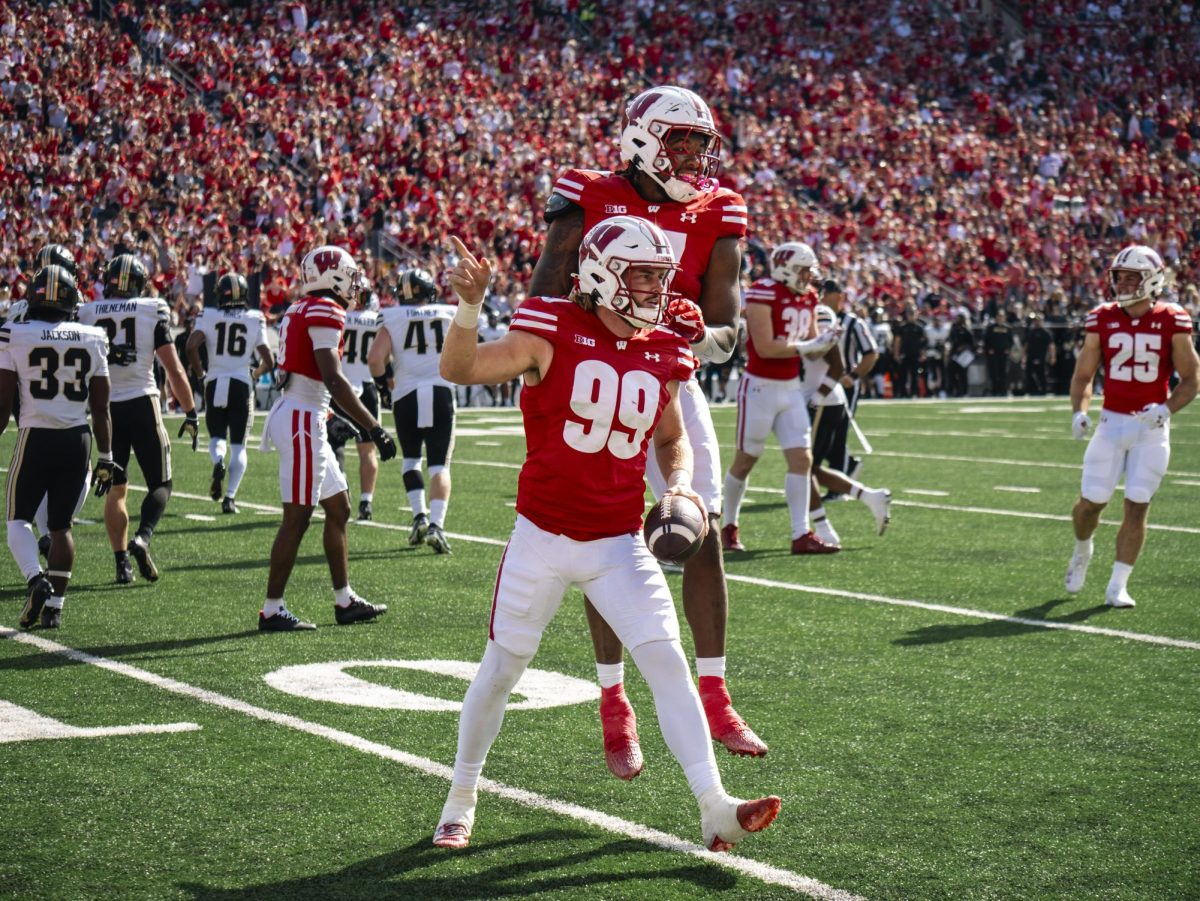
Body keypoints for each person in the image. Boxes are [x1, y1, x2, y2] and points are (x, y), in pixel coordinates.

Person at [432, 223, 780, 853]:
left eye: (660, 275)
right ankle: (461, 797)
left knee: (669, 665)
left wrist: (678, 486)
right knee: (501, 670)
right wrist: (469, 305)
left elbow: (672, 440)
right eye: (642, 273)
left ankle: (715, 806)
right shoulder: (552, 328)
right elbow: (459, 368)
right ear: (600, 273)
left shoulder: (661, 349)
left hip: (619, 543)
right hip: (541, 536)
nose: (656, 288)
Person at [527, 85, 763, 774]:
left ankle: (715, 692)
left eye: (701, 142)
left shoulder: (717, 208)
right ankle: (613, 701)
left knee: (701, 526)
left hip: (667, 380)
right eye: (682, 140)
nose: (695, 155)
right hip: (589, 380)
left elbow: (724, 317)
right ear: (640, 138)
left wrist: (702, 334)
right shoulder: (589, 191)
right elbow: (547, 288)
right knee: (606, 538)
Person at [257, 245, 396, 631]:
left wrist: (331, 415)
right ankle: (271, 609)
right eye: (350, 276)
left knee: (339, 509)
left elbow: (311, 378)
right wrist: (373, 425)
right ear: (333, 276)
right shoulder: (324, 309)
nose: (353, 285)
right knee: (297, 518)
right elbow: (332, 376)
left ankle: (344, 599)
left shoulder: (299, 308)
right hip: (302, 418)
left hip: (308, 413)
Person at [1065, 245, 1197, 607]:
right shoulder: (1102, 317)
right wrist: (1079, 410)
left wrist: (1166, 410)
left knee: (1137, 505)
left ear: (1151, 280)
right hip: (1110, 425)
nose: (1122, 283)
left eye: (1130, 277)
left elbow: (1190, 379)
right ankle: (1082, 548)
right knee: (1090, 505)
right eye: (1118, 276)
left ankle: (1117, 585)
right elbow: (1083, 374)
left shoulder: (1174, 318)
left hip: (1150, 430)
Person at [0, 265, 116, 629]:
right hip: (77, 437)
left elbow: (2, 407)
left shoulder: (14, 333)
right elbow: (101, 407)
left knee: (17, 519)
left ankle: (36, 580)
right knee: (61, 526)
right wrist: (107, 458)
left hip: (36, 435)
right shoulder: (93, 337)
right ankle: (55, 608)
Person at [77, 254, 200, 584]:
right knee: (161, 483)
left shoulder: (87, 312)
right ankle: (143, 537)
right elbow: (173, 368)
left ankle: (121, 564)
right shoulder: (150, 309)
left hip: (105, 411)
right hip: (143, 403)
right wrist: (190, 411)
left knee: (117, 489)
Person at [721, 242, 842, 554]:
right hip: (760, 388)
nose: (807, 277)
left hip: (790, 387)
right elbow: (765, 347)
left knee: (802, 459)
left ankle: (801, 534)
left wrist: (827, 341)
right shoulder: (763, 291)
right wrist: (809, 346)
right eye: (803, 270)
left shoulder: (809, 296)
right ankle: (728, 525)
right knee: (746, 461)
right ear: (786, 267)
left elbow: (813, 341)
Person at [367, 267, 458, 553]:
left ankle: (419, 516)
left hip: (405, 394)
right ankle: (437, 525)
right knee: (439, 466)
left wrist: (384, 387)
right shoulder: (448, 313)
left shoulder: (391, 316)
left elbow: (375, 360)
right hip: (441, 391)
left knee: (410, 462)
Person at [801, 305, 892, 548]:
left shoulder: (818, 312)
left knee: (804, 470)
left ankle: (821, 529)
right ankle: (871, 497)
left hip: (822, 398)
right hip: (823, 397)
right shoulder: (807, 309)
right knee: (812, 469)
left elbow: (823, 353)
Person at [186, 272, 273, 514]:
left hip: (215, 381)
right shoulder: (255, 317)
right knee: (239, 445)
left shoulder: (209, 315)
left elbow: (191, 346)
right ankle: (230, 498)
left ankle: (217, 462)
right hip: (241, 382)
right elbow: (269, 359)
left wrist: (201, 374)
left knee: (216, 439)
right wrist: (255, 375)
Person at [329, 290, 381, 521]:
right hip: (367, 388)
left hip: (340, 387)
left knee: (333, 447)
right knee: (368, 450)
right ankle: (366, 502)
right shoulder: (377, 320)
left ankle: (341, 492)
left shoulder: (337, 316)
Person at [823, 279, 878, 491]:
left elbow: (871, 353)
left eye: (824, 293)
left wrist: (853, 376)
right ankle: (850, 466)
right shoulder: (816, 318)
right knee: (816, 436)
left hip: (843, 387)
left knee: (837, 434)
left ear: (837, 296)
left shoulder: (853, 323)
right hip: (820, 383)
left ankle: (839, 487)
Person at [1023, 312, 1054, 396]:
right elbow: (1026, 345)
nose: (1037, 322)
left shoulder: (1046, 333)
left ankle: (1043, 390)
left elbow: (1051, 346)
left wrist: (1052, 356)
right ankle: (1033, 390)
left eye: (1039, 320)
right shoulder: (1031, 332)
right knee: (1029, 374)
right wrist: (1024, 356)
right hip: (1031, 356)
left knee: (1042, 374)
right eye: (1036, 320)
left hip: (1042, 356)